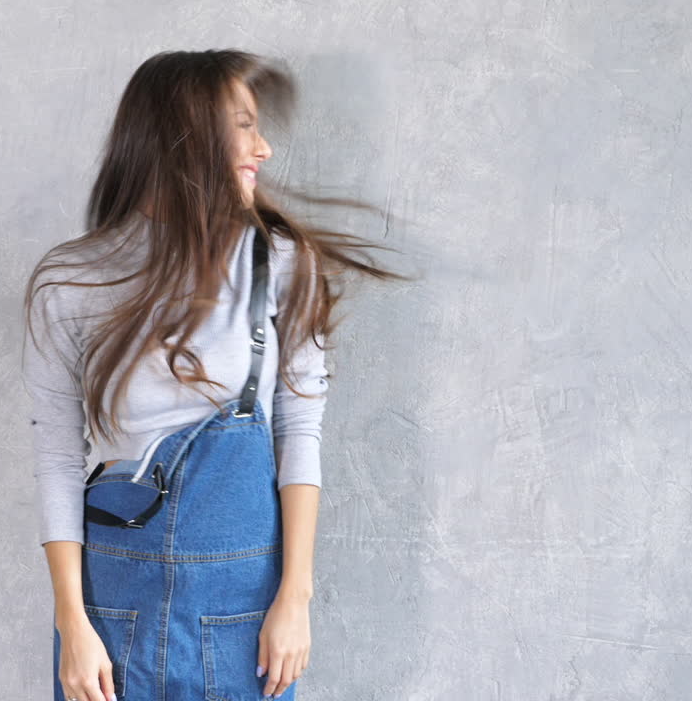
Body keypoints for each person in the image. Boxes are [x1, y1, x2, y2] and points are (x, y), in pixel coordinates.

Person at [22, 49, 410, 701]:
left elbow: (299, 433)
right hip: (111, 610)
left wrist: (295, 598)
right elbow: (58, 457)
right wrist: (73, 621)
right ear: (188, 133)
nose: (264, 147)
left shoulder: (284, 264)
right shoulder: (69, 281)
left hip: (245, 615)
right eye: (245, 125)